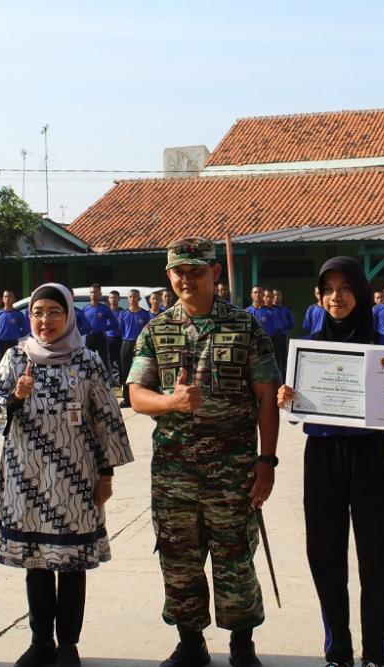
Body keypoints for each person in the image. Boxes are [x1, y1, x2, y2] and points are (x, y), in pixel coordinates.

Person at [128, 237, 280, 667]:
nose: (187, 279)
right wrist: (170, 403)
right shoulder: (155, 330)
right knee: (179, 557)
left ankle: (242, 644)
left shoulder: (246, 327)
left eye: (196, 270)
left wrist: (266, 462)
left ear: (215, 273)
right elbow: (137, 394)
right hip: (174, 472)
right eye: (179, 271)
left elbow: (267, 398)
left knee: (235, 557)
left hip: (233, 470)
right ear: (169, 275)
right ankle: (190, 642)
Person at [0, 283, 133, 667]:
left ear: (68, 315)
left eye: (53, 312)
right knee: (36, 562)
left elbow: (106, 421)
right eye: (37, 312)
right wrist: (16, 396)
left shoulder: (87, 361)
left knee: (70, 564)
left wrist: (106, 474)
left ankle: (67, 645)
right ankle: (40, 643)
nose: (45, 320)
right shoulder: (16, 358)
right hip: (26, 476)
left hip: (75, 478)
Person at [277, 257, 384, 667]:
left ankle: (375, 654)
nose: (336, 297)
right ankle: (338, 651)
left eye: (346, 288)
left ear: (360, 292)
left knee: (376, 557)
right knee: (325, 555)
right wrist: (289, 399)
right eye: (329, 289)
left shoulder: (383, 343)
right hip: (322, 456)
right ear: (318, 296)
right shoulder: (308, 345)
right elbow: (297, 405)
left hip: (371, 455)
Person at [117, 289, 152, 408]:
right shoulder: (123, 314)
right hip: (126, 343)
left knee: (142, 371)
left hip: (140, 344)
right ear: (128, 299)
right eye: (130, 297)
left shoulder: (145, 314)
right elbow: (121, 330)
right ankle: (127, 399)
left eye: (135, 297)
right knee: (125, 372)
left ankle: (143, 398)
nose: (132, 299)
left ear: (139, 299)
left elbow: (148, 330)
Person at [83, 284, 119, 373]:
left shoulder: (104, 308)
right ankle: (88, 378)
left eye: (96, 292)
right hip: (89, 336)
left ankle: (107, 380)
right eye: (91, 292)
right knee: (87, 358)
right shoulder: (85, 308)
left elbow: (114, 322)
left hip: (101, 336)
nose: (93, 294)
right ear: (89, 294)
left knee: (104, 360)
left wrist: (105, 328)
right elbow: (81, 323)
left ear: (100, 294)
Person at [0, 290, 29, 369]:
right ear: (3, 299)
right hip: (1, 343)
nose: (7, 299)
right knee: (1, 365)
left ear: (14, 299)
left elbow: (25, 329)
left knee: (14, 364)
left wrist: (16, 334)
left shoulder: (18, 314)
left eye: (10, 297)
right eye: (5, 296)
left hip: (13, 342)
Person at [106, 290, 124, 385]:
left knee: (120, 362)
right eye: (111, 297)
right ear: (109, 299)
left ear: (119, 299)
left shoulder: (122, 312)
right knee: (108, 362)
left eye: (115, 298)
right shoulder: (106, 311)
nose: (113, 300)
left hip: (119, 340)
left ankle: (122, 383)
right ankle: (109, 382)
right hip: (108, 340)